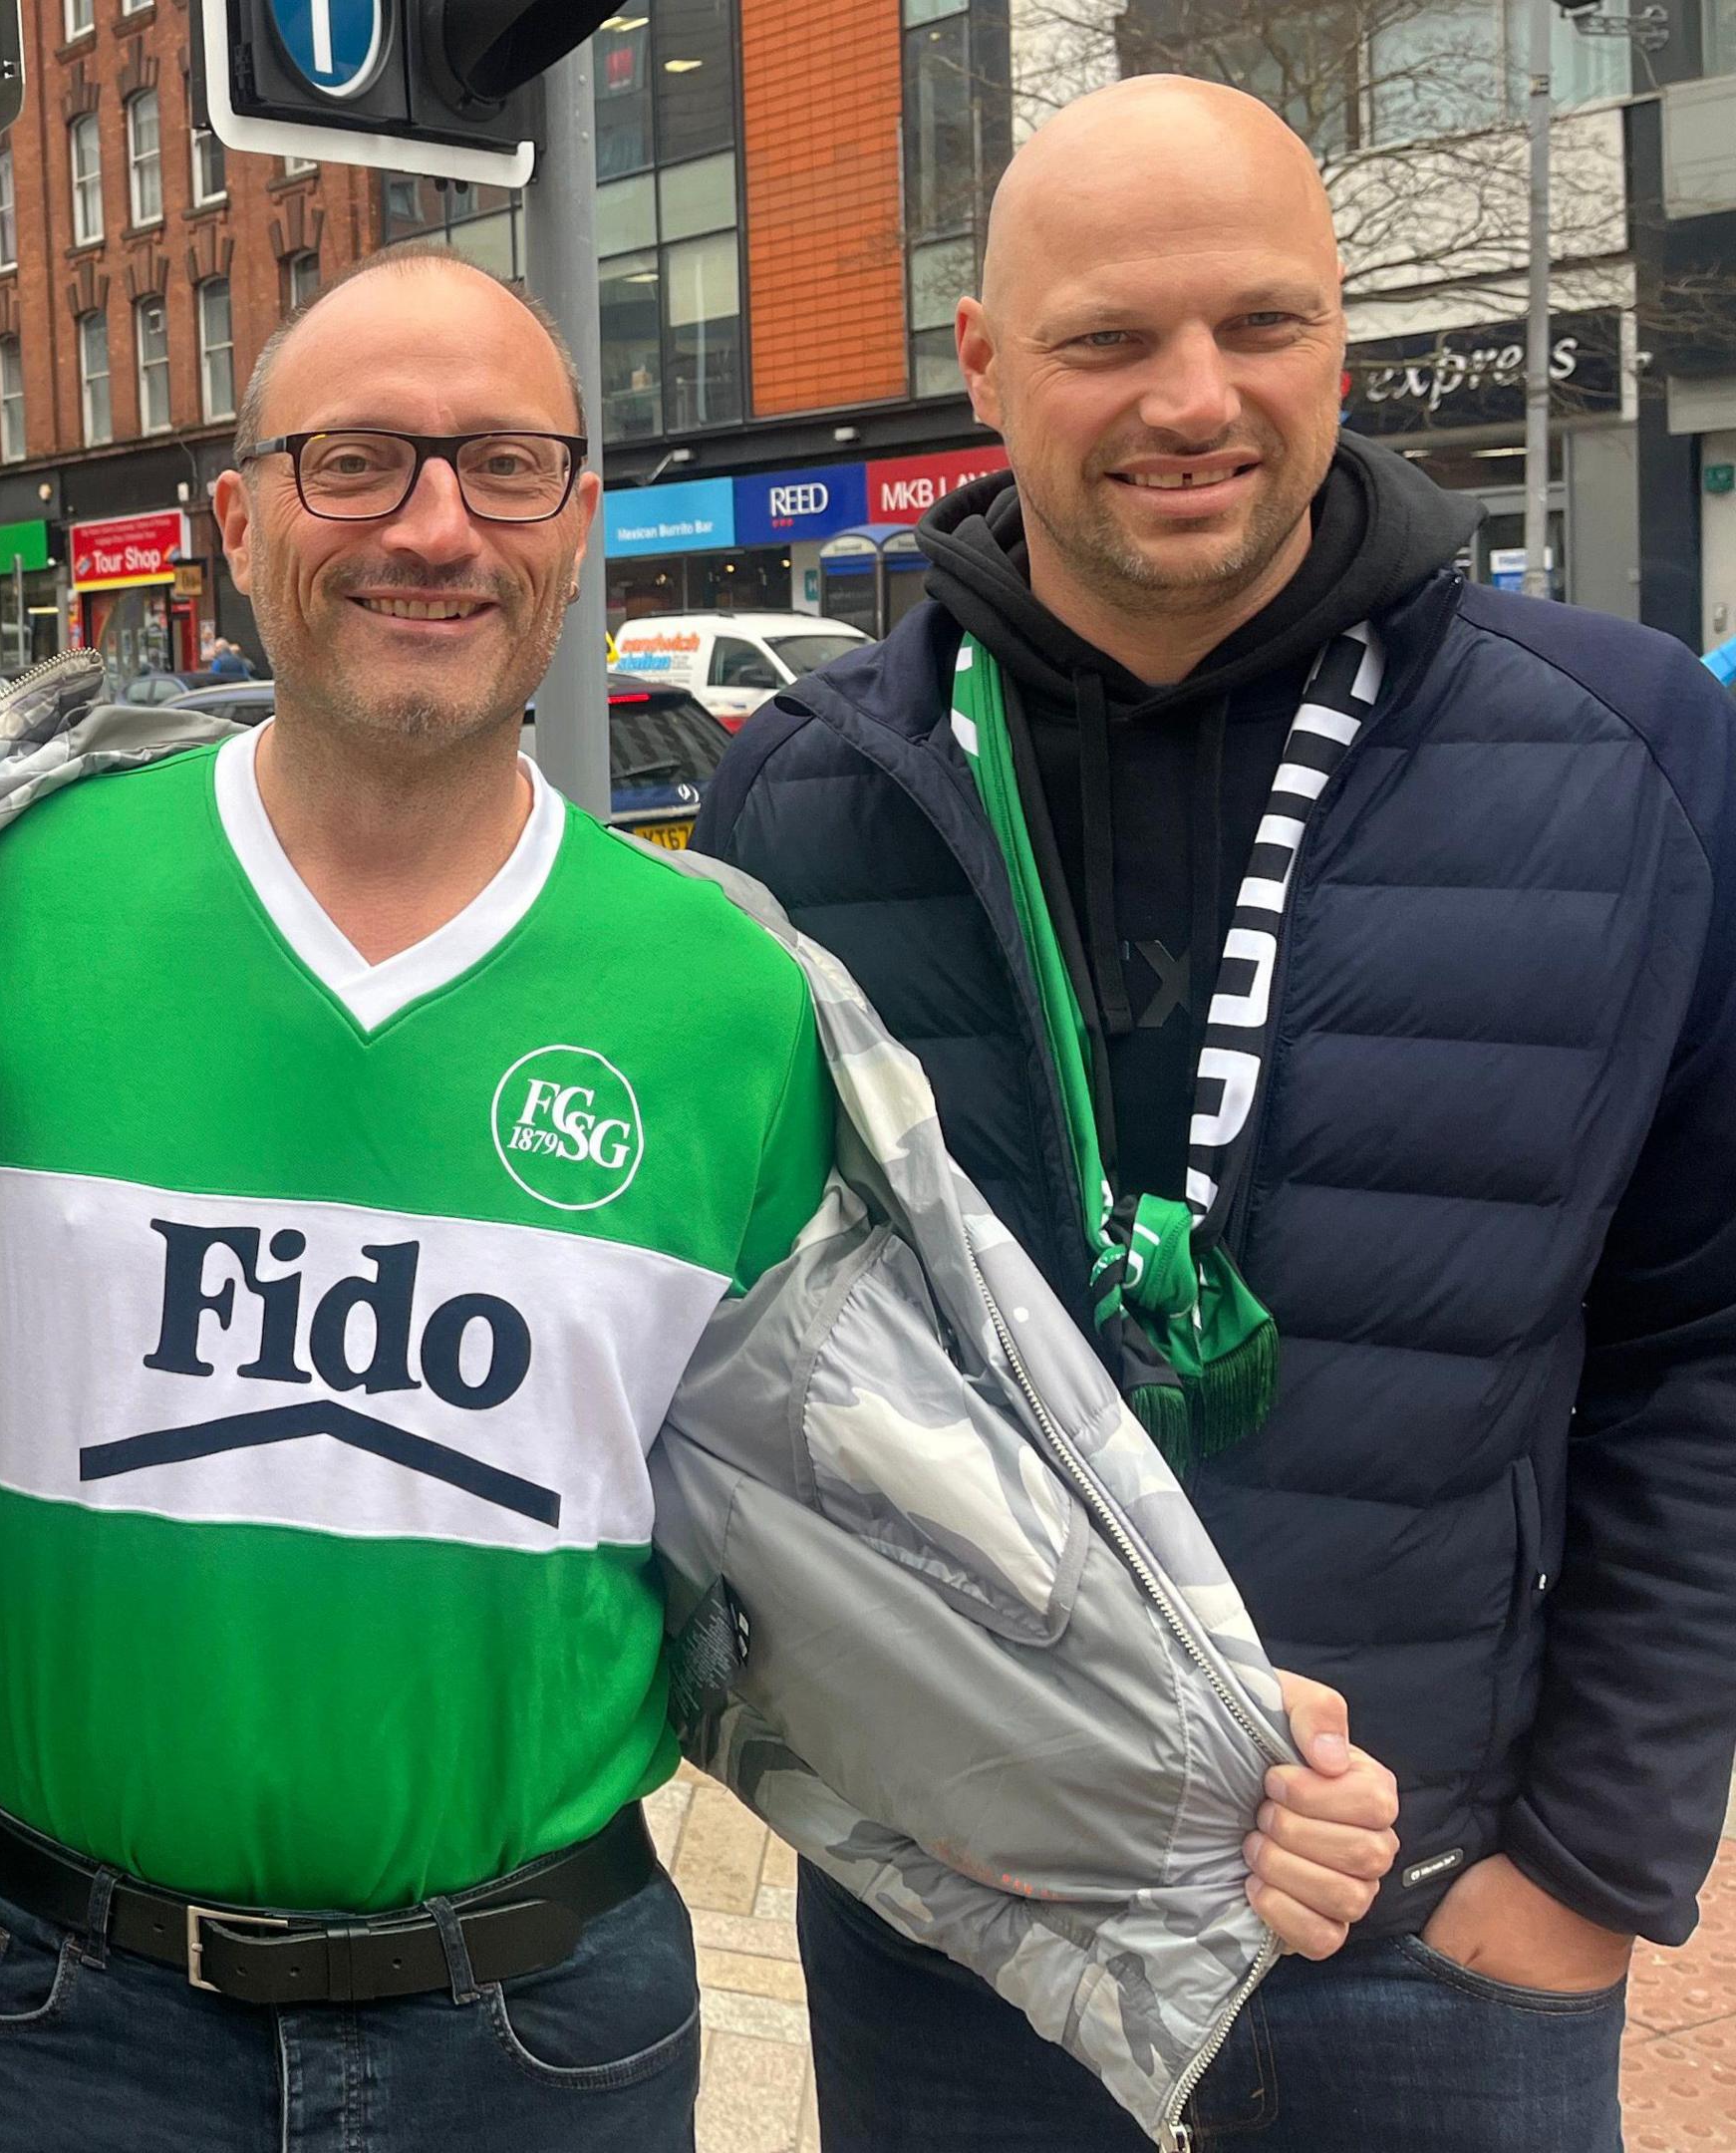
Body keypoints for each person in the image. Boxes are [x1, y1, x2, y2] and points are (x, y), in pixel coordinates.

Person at [0, 247, 1406, 2153]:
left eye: (500, 465)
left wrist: (1178, 1732)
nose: (431, 525)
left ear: (573, 519)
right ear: (240, 520)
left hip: (540, 2038)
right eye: (354, 460)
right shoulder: (7, 905)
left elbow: (877, 1511)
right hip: (63, 2022)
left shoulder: (726, 995)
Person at [703, 78, 1736, 2150]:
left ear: (1338, 339)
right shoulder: (802, 799)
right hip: (963, 1953)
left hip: (1438, 1947)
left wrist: (1591, 1873)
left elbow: (1702, 1344)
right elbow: (748, 1393)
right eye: (1109, 341)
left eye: (1262, 325)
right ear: (987, 367)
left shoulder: (1631, 759)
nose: (1198, 399)